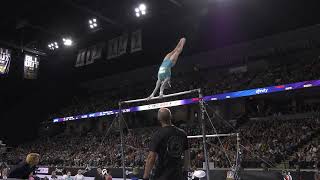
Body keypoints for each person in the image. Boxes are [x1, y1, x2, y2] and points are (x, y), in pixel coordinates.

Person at [143, 108, 190, 180]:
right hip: (178, 175)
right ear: (171, 117)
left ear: (159, 119)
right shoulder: (182, 133)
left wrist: (145, 177)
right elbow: (187, 154)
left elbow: (151, 158)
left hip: (162, 175)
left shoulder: (158, 134)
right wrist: (186, 171)